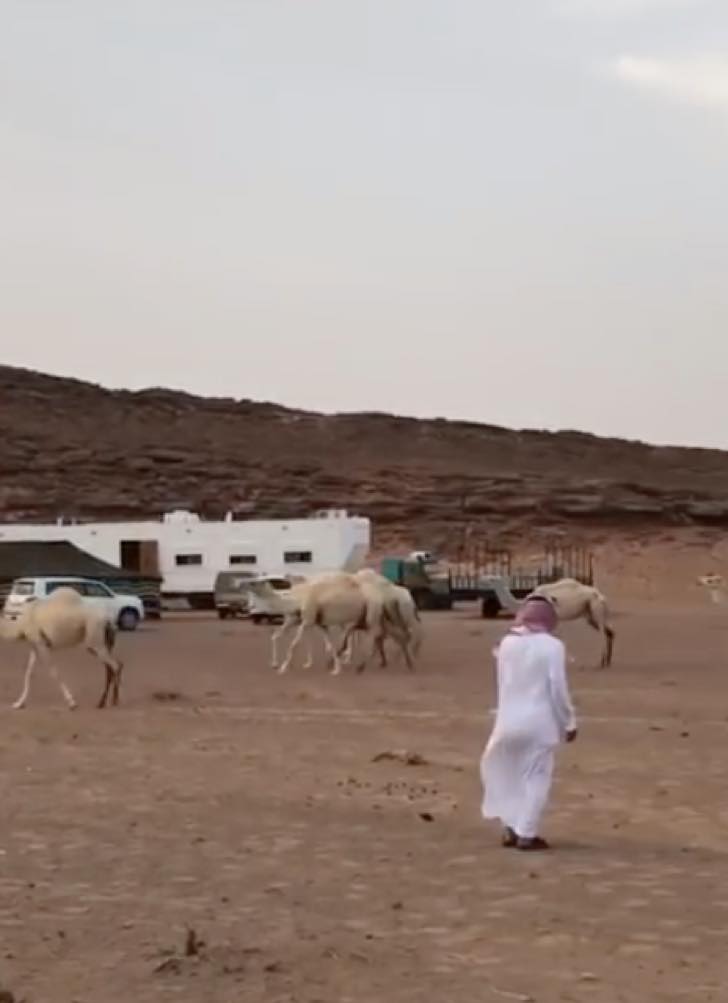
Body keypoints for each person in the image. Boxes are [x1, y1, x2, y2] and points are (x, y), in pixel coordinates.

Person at [480, 595, 577, 851]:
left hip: (505, 722)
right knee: (535, 778)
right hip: (539, 723)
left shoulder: (507, 644)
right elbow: (557, 688)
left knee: (510, 776)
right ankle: (527, 832)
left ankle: (511, 828)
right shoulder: (553, 646)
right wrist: (569, 721)